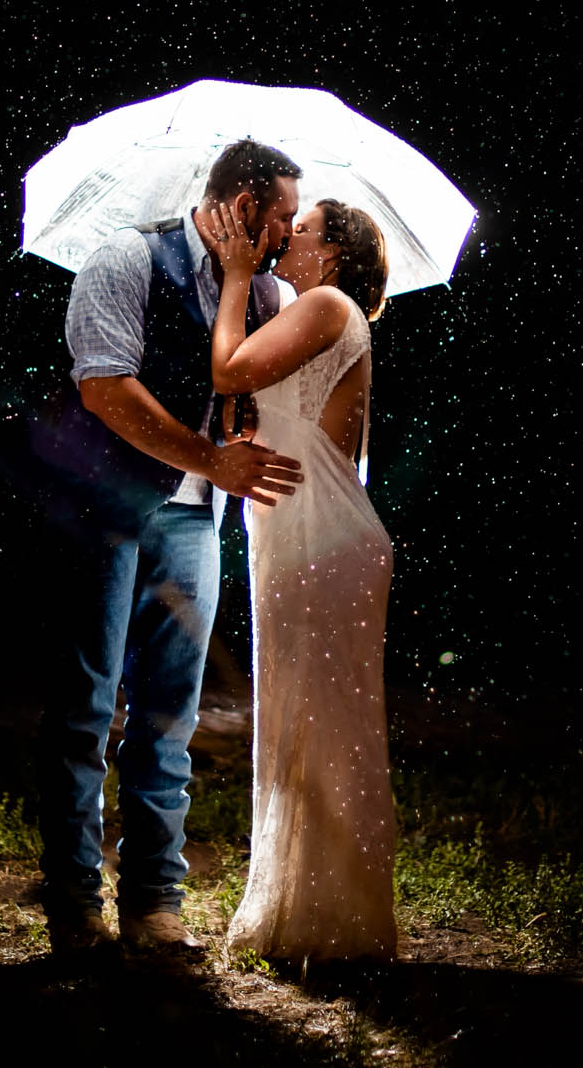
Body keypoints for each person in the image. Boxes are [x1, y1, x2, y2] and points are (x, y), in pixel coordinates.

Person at [35, 138, 308, 955]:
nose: (289, 233)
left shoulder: (261, 290)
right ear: (242, 205)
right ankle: (74, 903)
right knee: (85, 710)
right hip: (103, 510)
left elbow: (252, 385)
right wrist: (208, 457)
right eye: (283, 215)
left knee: (169, 716)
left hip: (195, 519)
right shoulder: (124, 258)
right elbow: (105, 386)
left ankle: (155, 903)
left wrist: (246, 427)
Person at [204, 196, 397, 964]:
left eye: (305, 228)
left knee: (321, 726)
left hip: (320, 542)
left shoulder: (325, 301)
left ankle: (332, 925)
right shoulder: (317, 312)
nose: (290, 236)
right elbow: (277, 415)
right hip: (306, 536)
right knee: (305, 720)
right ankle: (310, 914)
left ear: (332, 253)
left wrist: (236, 273)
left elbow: (227, 366)